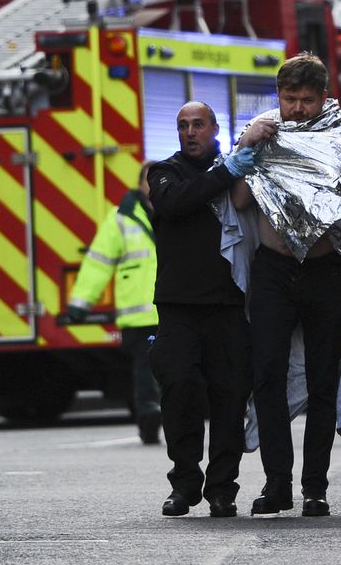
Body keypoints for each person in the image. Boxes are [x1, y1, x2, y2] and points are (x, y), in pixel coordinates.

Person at [232, 54, 341, 518]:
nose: (299, 108)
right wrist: (247, 146)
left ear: (323, 97)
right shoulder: (261, 130)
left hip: (324, 269)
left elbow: (337, 188)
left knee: (322, 380)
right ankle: (276, 484)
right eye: (290, 99)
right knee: (266, 374)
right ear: (279, 97)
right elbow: (241, 199)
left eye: (308, 99)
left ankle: (315, 487)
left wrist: (286, 153)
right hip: (274, 269)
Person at [147, 101, 274, 518]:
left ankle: (222, 488)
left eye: (198, 125)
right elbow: (179, 203)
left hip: (227, 306)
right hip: (179, 308)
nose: (190, 132)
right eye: (183, 125)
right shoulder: (165, 172)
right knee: (179, 390)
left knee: (229, 398)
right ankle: (184, 484)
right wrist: (230, 169)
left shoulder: (236, 169)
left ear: (214, 129)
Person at [67, 160, 161, 444]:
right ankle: (148, 416)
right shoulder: (121, 218)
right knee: (146, 370)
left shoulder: (179, 209)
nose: (154, 184)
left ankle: (165, 415)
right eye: (149, 179)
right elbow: (99, 262)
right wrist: (81, 303)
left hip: (173, 309)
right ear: (139, 184)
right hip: (140, 314)